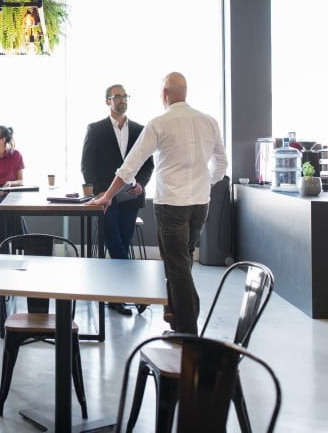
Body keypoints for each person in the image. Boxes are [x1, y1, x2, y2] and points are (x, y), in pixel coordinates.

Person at [90, 73, 227, 334]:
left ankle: (187, 333)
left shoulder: (159, 124)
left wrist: (107, 196)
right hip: (200, 204)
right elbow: (221, 164)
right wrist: (204, 182)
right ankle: (174, 314)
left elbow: (130, 165)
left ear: (164, 94)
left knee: (177, 267)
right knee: (183, 262)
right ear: (184, 92)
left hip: (172, 205)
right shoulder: (209, 122)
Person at [81, 85, 154, 316]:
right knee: (114, 242)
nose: (122, 100)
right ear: (107, 101)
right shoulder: (96, 129)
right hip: (106, 197)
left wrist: (141, 184)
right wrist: (97, 194)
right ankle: (136, 291)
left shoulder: (140, 130)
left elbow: (148, 164)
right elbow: (87, 164)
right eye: (117, 96)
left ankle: (115, 298)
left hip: (131, 196)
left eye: (125, 96)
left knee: (123, 241)